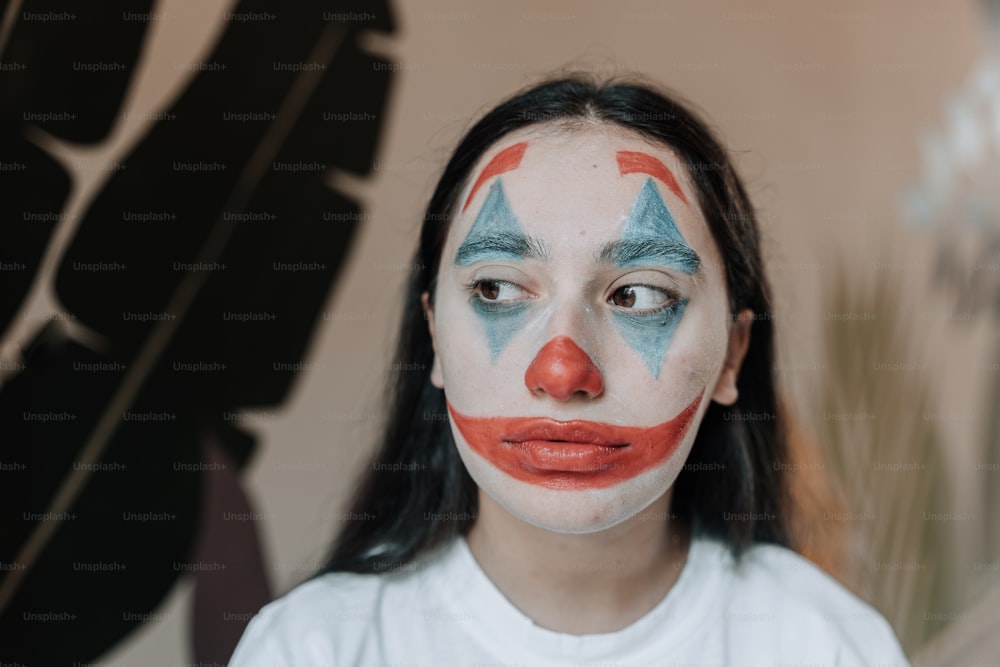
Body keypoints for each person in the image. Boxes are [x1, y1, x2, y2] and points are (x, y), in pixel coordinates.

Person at [229, 76, 909, 666]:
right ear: (434, 335)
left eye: (639, 295)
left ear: (733, 354)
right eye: (497, 288)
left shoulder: (828, 645)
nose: (562, 370)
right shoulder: (311, 649)